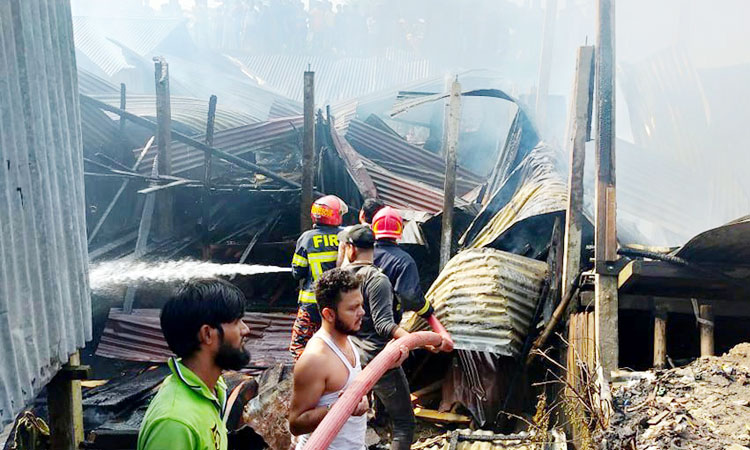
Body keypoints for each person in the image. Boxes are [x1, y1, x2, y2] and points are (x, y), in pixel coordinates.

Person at [289, 268, 408, 449]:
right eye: (353, 308)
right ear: (329, 314)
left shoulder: (349, 340)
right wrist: (342, 408)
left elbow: (357, 382)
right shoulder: (315, 359)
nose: (362, 312)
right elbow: (296, 424)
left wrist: (389, 361)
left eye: (361, 304)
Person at [338, 225, 429, 450]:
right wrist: (419, 340)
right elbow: (383, 325)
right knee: (405, 423)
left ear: (350, 250)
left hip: (348, 356)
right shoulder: (377, 279)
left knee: (350, 416)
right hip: (376, 360)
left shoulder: (339, 278)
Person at [138, 278, 252, 450]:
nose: (246, 330)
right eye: (236, 322)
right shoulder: (175, 423)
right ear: (207, 334)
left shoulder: (212, 388)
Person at [371, 206, 453, 353]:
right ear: (400, 230)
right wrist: (427, 309)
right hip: (386, 332)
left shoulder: (363, 254)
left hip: (358, 328)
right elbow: (410, 298)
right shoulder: (404, 261)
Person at [290, 195, 348, 360]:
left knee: (299, 345)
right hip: (336, 303)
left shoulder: (307, 238)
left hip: (311, 303)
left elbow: (297, 272)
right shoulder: (344, 236)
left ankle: (307, 376)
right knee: (333, 343)